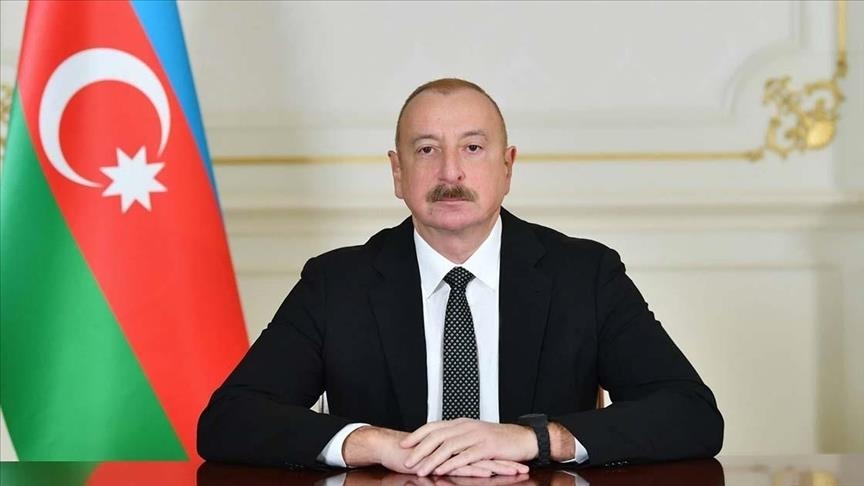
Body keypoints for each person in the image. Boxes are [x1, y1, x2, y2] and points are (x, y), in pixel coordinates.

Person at [197, 78, 723, 477]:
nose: (450, 173)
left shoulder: (584, 274)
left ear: (507, 166)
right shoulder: (337, 282)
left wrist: (537, 440)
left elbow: (691, 414)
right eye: (426, 150)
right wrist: (375, 443)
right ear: (398, 172)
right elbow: (229, 420)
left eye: (472, 148)